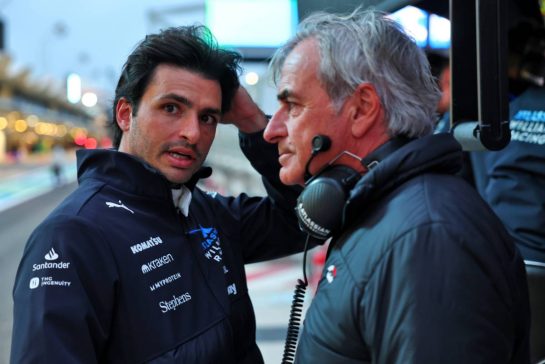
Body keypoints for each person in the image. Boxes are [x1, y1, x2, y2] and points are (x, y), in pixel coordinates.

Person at [11, 26, 305, 363]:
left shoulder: (207, 213)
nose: (193, 133)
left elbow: (303, 220)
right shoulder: (71, 237)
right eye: (171, 108)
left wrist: (253, 122)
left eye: (207, 116)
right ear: (125, 114)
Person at [263, 9, 530, 363]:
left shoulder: (427, 237)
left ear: (362, 109)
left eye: (292, 106)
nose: (272, 130)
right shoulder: (387, 213)